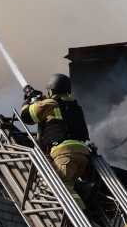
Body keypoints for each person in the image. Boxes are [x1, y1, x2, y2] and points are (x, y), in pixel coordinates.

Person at [20, 73, 92, 208]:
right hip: (82, 154)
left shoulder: (51, 103)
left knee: (58, 185)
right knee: (69, 184)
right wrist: (38, 100)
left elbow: (27, 117)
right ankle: (84, 197)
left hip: (64, 153)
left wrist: (29, 101)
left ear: (51, 90)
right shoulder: (74, 105)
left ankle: (80, 212)